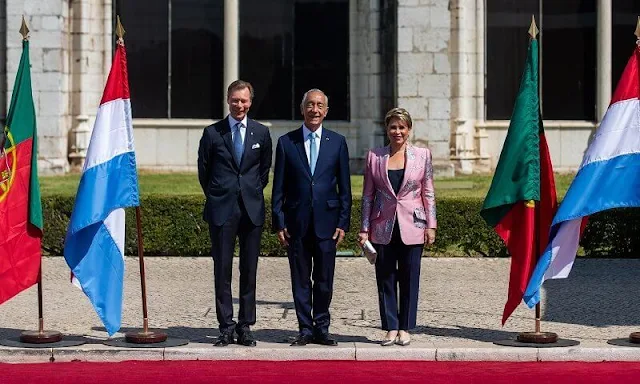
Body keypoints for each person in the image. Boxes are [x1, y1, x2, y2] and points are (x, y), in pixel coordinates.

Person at [271, 88, 352, 346]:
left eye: (319, 105)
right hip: (297, 223)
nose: (314, 110)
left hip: (328, 224)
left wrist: (343, 222)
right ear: (302, 108)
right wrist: (279, 221)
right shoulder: (286, 142)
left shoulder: (338, 142)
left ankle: (322, 327)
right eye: (310, 105)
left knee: (325, 279)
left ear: (326, 111)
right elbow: (278, 188)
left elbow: (345, 189)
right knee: (300, 279)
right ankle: (305, 328)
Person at [197, 80, 272, 347]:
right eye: (235, 100)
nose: (239, 105)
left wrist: (248, 190)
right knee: (223, 269)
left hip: (251, 210)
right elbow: (204, 172)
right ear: (228, 100)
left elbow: (263, 173)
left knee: (249, 270)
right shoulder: (212, 133)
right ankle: (225, 326)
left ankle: (245, 326)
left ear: (250, 102)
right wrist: (221, 193)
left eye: (244, 101)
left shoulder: (261, 134)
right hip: (222, 210)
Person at [357, 107, 436, 347]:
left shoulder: (423, 155)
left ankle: (405, 327)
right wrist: (364, 228)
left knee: (410, 277)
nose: (397, 131)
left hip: (414, 224)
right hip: (383, 226)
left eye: (402, 127)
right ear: (386, 129)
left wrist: (431, 225)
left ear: (409, 130)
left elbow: (428, 192)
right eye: (393, 127)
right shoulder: (374, 156)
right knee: (386, 277)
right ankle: (391, 326)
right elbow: (368, 195)